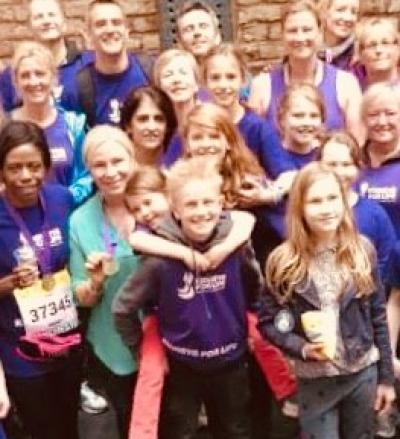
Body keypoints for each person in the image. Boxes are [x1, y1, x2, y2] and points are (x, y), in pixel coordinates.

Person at [113, 156, 262, 439]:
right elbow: (122, 309)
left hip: (231, 361)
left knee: (236, 430)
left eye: (208, 202)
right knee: (181, 432)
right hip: (181, 365)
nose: (201, 211)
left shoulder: (237, 247)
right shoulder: (159, 259)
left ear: (221, 204)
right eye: (191, 204)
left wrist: (255, 324)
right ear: (176, 210)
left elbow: (255, 285)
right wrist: (139, 348)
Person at [258, 161, 395, 438]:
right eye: (315, 201)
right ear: (300, 208)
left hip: (362, 373)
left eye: (333, 198)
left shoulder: (362, 251)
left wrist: (386, 378)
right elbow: (271, 322)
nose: (327, 208)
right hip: (315, 380)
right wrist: (301, 348)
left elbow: (378, 317)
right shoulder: (283, 262)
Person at [0, 120, 82, 439]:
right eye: (14, 168)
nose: (25, 176)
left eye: (34, 166)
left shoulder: (61, 198)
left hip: (65, 338)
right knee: (44, 430)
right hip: (21, 349)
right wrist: (10, 283)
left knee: (70, 425)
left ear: (47, 166)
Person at [69, 124, 139, 439]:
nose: (110, 172)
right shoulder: (81, 220)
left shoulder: (158, 202)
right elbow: (81, 296)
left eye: (117, 161)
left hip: (168, 336)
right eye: (100, 165)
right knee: (131, 424)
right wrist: (95, 283)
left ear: (132, 159)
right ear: (89, 169)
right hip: (114, 343)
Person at [248, 0, 364, 145]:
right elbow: (251, 148)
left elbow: (358, 146)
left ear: (320, 33)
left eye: (307, 30)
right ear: (282, 35)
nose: (300, 38)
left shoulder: (346, 84)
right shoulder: (262, 86)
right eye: (292, 31)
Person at [10, 41, 92, 207]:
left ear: (53, 78)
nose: (34, 82)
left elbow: (87, 175)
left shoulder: (72, 125)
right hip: (17, 218)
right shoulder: (5, 127)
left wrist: (62, 199)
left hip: (66, 216)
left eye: (40, 74)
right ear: (16, 82)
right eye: (25, 76)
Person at [318, 130, 396, 281]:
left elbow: (388, 264)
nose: (339, 171)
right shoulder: (307, 211)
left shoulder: (374, 214)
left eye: (346, 164)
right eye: (331, 164)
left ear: (358, 168)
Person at [0, 0, 93, 112]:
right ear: (29, 27)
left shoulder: (89, 64)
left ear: (64, 23)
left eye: (51, 15)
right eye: (39, 17)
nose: (46, 21)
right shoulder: (12, 75)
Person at [69, 0, 148, 127]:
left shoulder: (150, 73)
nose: (110, 30)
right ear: (88, 35)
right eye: (101, 24)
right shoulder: (76, 88)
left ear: (127, 31)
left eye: (116, 23)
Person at [357, 82, 400, 236]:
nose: (382, 122)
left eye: (390, 113)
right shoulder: (353, 160)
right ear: (363, 119)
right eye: (373, 115)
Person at [120, 86, 177, 167]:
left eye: (159, 119)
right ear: (128, 126)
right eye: (143, 119)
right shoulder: (117, 170)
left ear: (167, 126)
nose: (151, 127)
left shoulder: (177, 166)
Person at [353, 17, 400, 90]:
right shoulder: (353, 90)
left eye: (385, 43)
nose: (378, 50)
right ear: (360, 53)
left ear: (397, 48)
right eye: (372, 45)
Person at [318, 0, 359, 70]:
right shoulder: (309, 46)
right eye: (340, 10)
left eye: (353, 12)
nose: (348, 18)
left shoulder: (358, 55)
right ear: (324, 12)